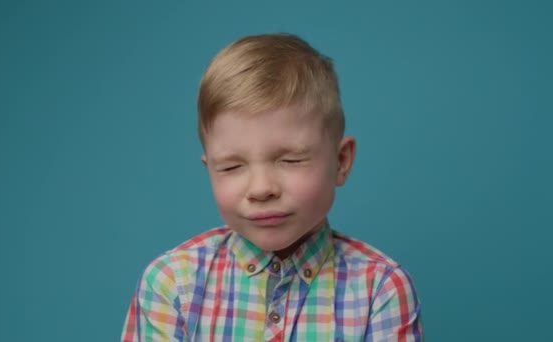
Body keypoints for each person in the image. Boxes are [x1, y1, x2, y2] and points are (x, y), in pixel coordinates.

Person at [121, 33, 423, 341]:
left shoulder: (380, 289)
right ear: (209, 169)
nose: (262, 188)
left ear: (341, 161)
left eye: (290, 160)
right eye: (232, 167)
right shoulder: (172, 284)